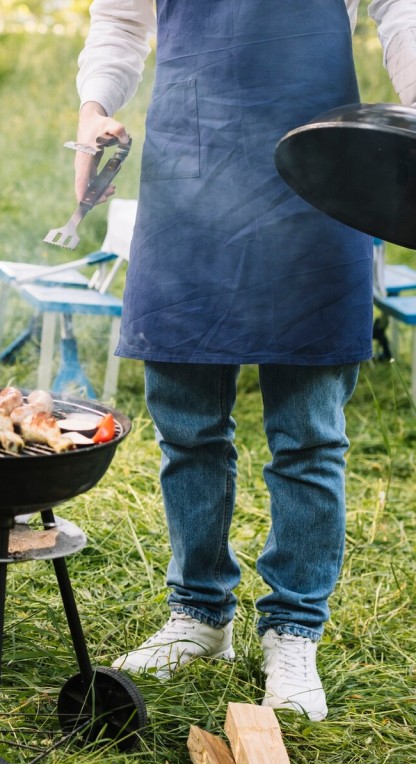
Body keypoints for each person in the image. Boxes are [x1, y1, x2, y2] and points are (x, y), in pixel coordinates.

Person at [72, 0, 416, 722]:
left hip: (322, 179)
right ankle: (199, 615)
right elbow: (121, 19)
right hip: (189, 169)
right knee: (187, 426)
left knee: (310, 436)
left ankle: (294, 630)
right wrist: (93, 109)